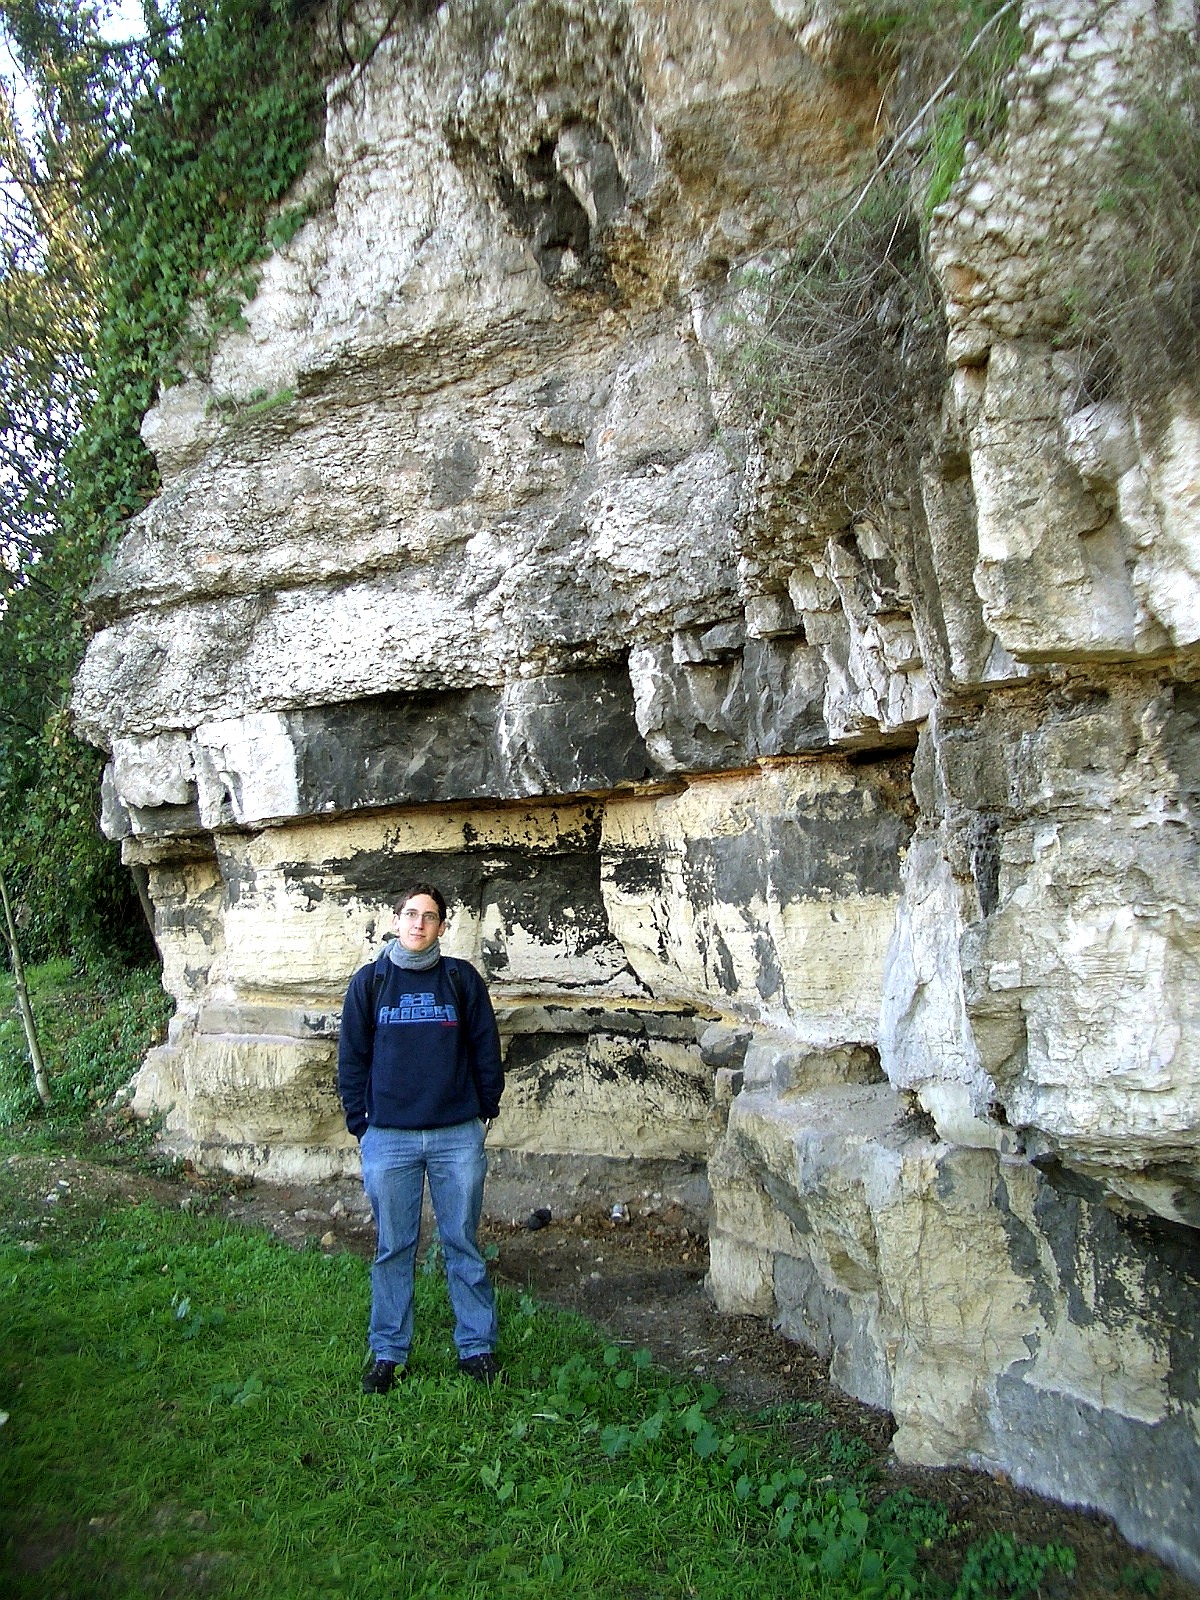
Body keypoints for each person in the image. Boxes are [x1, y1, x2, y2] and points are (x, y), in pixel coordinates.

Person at [338, 883, 504, 1392]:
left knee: (462, 1242)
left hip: (456, 1135)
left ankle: (476, 1347)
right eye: (411, 914)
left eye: (429, 917)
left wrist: (484, 1112)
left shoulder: (460, 979)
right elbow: (351, 1057)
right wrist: (361, 1123)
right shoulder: (371, 982)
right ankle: (388, 1353)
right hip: (390, 1138)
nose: (418, 924)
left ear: (442, 927)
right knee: (393, 1246)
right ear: (396, 919)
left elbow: (486, 1048)